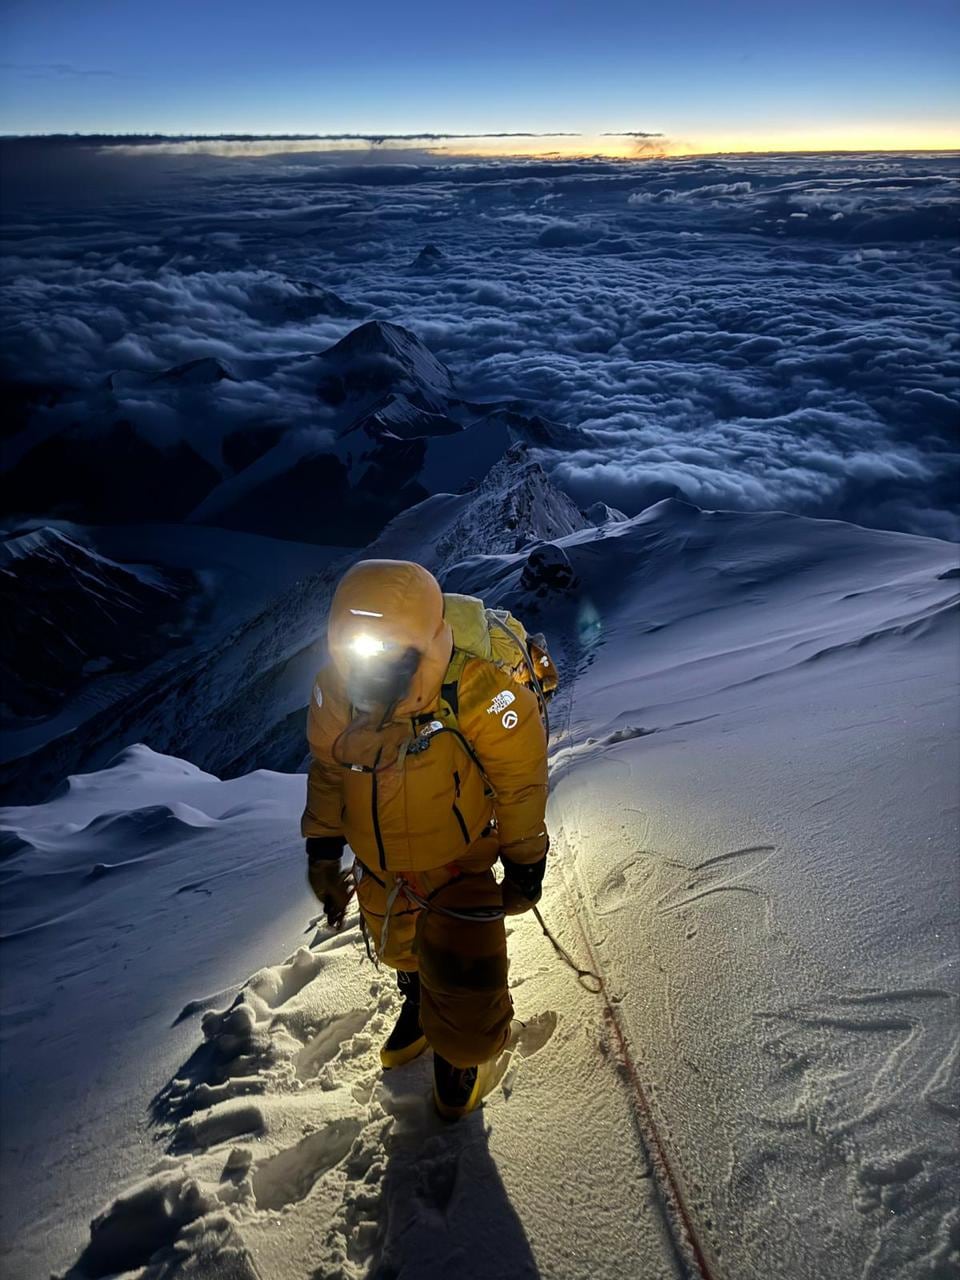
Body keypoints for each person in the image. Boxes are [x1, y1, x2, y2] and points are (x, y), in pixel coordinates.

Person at [301, 558, 550, 1119]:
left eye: (391, 651)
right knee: (399, 949)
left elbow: (520, 784)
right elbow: (329, 773)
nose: (372, 669)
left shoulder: (477, 691)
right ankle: (420, 999)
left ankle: (460, 1047)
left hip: (459, 863)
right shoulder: (336, 694)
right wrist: (322, 850)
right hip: (380, 867)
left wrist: (526, 861)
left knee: (469, 988)